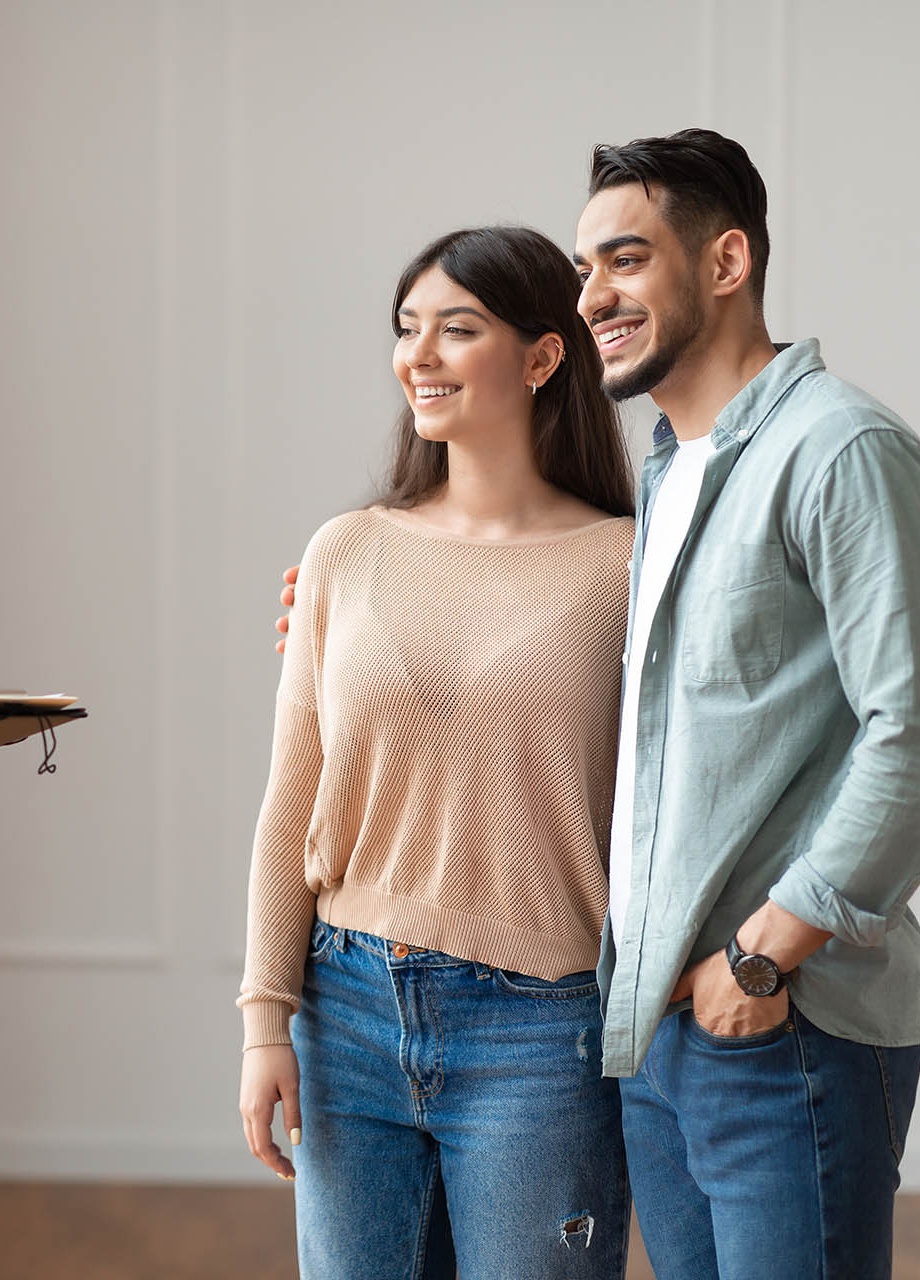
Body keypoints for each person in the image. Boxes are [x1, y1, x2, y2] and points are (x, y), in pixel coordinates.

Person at [239, 225, 636, 1277]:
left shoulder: (628, 565)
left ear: (544, 356)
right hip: (347, 1004)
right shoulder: (347, 549)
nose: (418, 354)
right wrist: (263, 1018)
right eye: (407, 328)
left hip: (544, 1033)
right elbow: (292, 796)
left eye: (457, 328)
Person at [573, 128, 920, 1277]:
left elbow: (917, 724)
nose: (592, 298)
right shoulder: (669, 471)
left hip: (786, 1021)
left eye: (624, 261)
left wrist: (770, 952)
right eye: (585, 270)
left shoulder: (840, 448)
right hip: (665, 1023)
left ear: (726, 263)